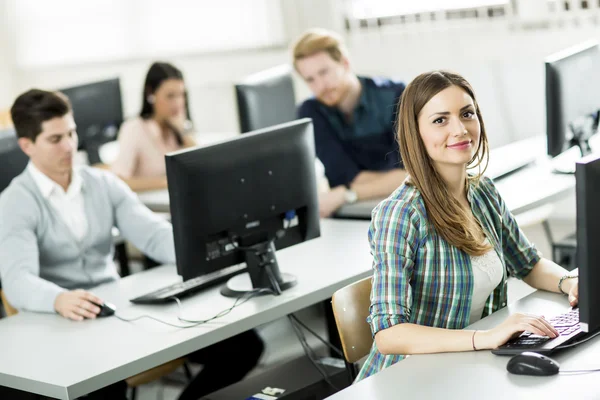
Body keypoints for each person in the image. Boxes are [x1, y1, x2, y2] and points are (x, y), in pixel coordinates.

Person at [0, 89, 263, 399]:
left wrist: (210, 249)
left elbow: (153, 234)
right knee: (105, 387)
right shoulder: (15, 202)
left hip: (115, 314)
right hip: (66, 324)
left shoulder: (102, 183)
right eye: (56, 139)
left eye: (71, 133)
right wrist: (59, 299)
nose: (70, 146)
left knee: (243, 345)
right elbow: (17, 281)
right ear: (26, 145)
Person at [356, 71, 579, 381]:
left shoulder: (482, 191)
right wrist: (485, 338)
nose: (460, 129)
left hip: (470, 366)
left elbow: (528, 264)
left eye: (467, 114)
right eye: (440, 120)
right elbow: (388, 334)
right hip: (411, 378)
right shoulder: (401, 214)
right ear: (415, 132)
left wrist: (571, 282)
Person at [292, 28, 407, 217]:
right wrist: (388, 181)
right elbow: (342, 177)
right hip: (352, 211)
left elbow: (412, 177)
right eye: (310, 79)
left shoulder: (396, 96)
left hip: (403, 205)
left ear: (345, 63)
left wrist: (347, 193)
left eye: (324, 72)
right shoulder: (311, 111)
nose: (320, 86)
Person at [111, 62, 196, 192]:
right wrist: (164, 182)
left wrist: (183, 131)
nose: (178, 103)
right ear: (151, 94)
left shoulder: (179, 126)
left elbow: (199, 168)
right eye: (170, 96)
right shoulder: (134, 128)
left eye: (181, 95)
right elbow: (118, 181)